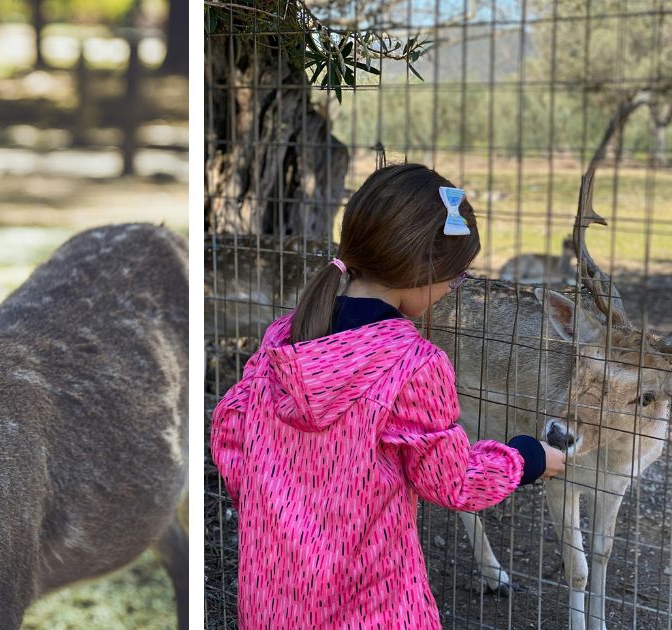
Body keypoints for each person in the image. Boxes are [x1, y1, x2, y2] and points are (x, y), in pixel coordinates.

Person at [210, 163, 567, 629]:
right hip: (374, 605)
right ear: (423, 271)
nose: (451, 289)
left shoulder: (283, 339)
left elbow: (230, 433)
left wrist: (278, 508)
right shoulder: (413, 364)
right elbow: (452, 481)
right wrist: (526, 458)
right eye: (455, 277)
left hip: (273, 599)